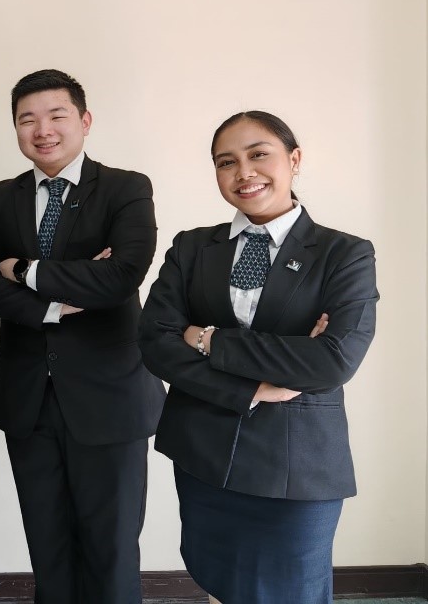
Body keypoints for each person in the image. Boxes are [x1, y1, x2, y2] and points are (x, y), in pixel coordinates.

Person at [138, 111, 378, 604]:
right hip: (203, 452)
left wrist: (207, 339)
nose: (244, 172)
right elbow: (155, 341)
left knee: (292, 591)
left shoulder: (345, 254)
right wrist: (254, 385)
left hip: (297, 463)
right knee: (217, 582)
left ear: (294, 159)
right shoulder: (191, 247)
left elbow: (331, 362)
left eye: (259, 154)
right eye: (226, 162)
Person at [0, 69, 165, 603]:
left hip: (111, 395)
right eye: (27, 120)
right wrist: (54, 304)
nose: (42, 130)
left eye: (56, 115)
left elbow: (121, 276)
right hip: (29, 397)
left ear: (85, 120)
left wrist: (22, 270)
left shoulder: (126, 188)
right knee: (47, 546)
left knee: (111, 548)